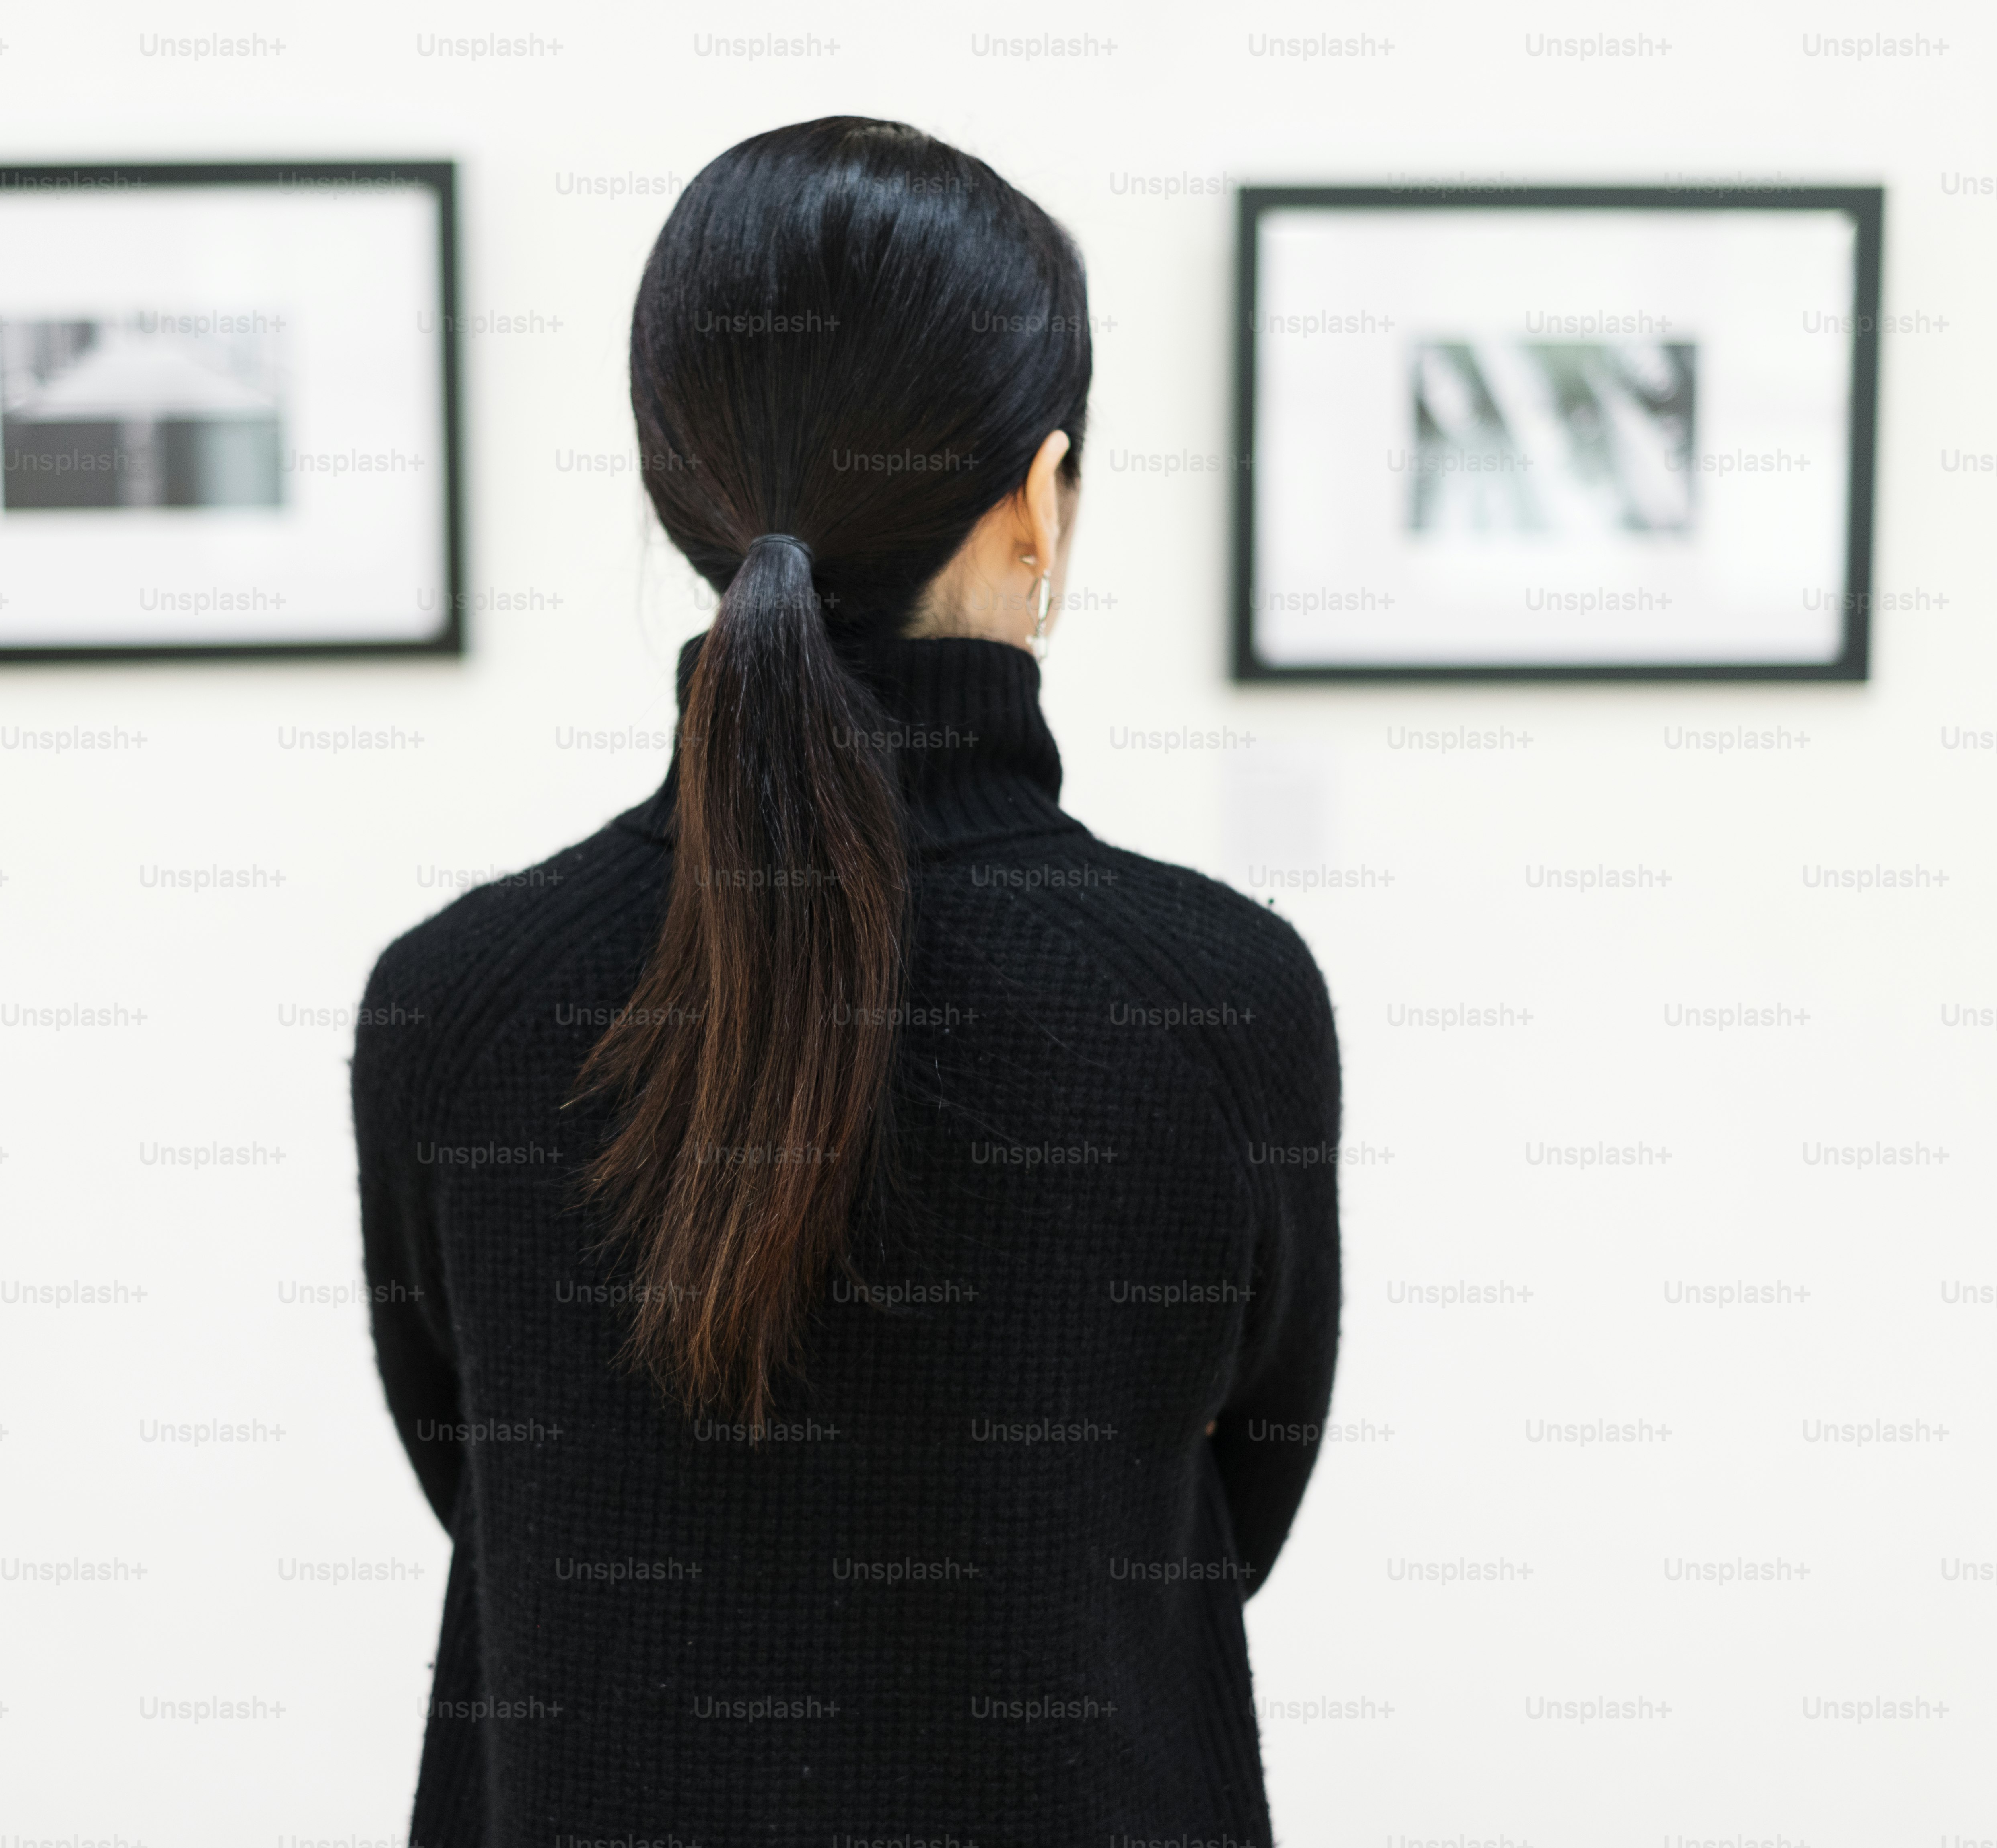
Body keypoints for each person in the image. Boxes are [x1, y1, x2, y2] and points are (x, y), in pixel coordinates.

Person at [352, 115, 1342, 1844]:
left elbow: (479, 1476)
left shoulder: (455, 1001)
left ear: (686, 491)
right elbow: (1220, 1508)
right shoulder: (1216, 999)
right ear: (1039, 499)